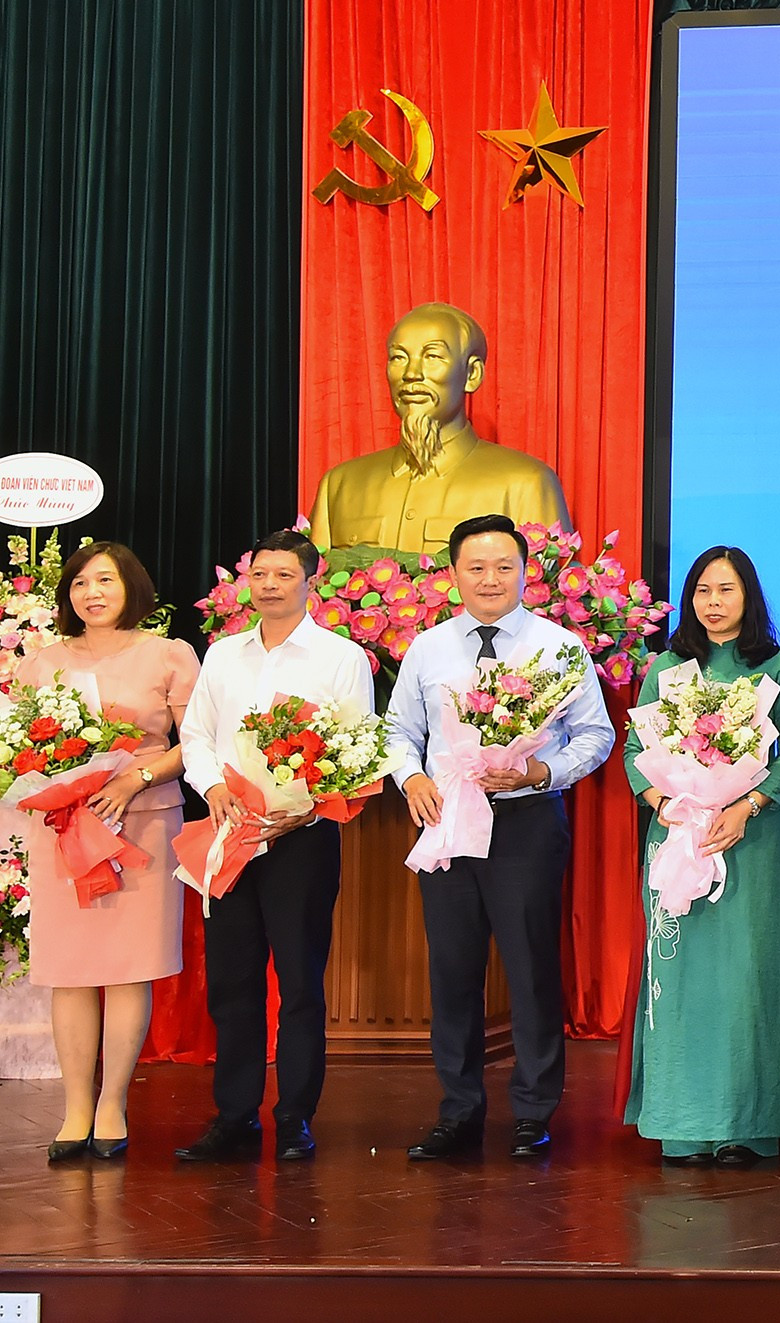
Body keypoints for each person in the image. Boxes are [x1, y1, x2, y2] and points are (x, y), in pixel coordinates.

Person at [386, 513, 614, 1160]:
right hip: (447, 820)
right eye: (476, 567)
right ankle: (459, 1110)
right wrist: (409, 779)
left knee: (531, 968)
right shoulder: (428, 647)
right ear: (453, 573)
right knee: (452, 972)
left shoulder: (559, 646)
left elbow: (598, 736)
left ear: (526, 571)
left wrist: (544, 770)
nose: (490, 578)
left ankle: (533, 1112)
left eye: (504, 566)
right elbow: (397, 730)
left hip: (526, 822)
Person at [174, 529, 374, 1163]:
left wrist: (305, 808)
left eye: (283, 575)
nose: (268, 585)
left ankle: (294, 1117)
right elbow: (197, 733)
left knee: (301, 983)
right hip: (229, 832)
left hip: (300, 840)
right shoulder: (224, 655)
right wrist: (211, 787)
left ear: (309, 582)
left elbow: (354, 747)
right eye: (259, 574)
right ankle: (234, 1116)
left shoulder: (341, 657)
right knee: (233, 981)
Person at [11, 542, 199, 1162]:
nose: (92, 593)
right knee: (68, 973)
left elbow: (195, 742)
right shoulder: (41, 664)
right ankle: (73, 1111)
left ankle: (113, 1103)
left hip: (139, 825)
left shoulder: (168, 654)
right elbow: (11, 744)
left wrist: (134, 779)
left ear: (132, 589)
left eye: (106, 581)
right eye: (81, 583)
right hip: (63, 830)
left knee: (126, 971)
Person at [623, 547, 780, 1166]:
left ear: (748, 597)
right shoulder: (667, 668)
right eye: (702, 590)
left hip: (749, 844)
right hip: (678, 838)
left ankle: (745, 1125)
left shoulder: (777, 666)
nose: (714, 603)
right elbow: (633, 752)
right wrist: (661, 800)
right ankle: (682, 1121)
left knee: (748, 980)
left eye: (726, 590)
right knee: (680, 981)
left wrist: (746, 805)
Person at [308, 303, 570, 554]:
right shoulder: (340, 485)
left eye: (432, 356)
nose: (411, 373)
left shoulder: (526, 484)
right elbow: (309, 592)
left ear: (472, 374)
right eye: (398, 357)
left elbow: (547, 593)